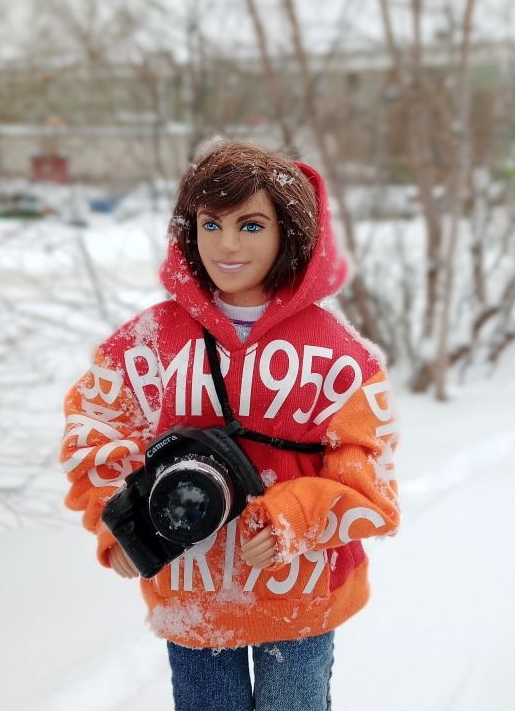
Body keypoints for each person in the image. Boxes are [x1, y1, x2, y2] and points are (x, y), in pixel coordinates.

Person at [60, 140, 400, 711]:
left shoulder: (341, 355)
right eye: (211, 224)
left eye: (251, 225)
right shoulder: (148, 343)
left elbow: (369, 477)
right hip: (189, 584)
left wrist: (296, 516)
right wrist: (116, 519)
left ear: (288, 232)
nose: (227, 245)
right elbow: (94, 430)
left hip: (299, 588)